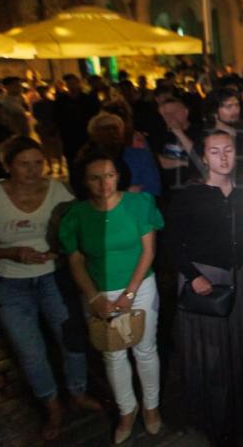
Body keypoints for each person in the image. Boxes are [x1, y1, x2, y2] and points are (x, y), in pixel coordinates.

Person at [0, 137, 101, 440]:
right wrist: (10, 253)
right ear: (7, 165)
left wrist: (61, 250)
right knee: (31, 352)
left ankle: (77, 392)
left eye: (38, 162)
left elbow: (77, 228)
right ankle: (52, 405)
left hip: (53, 276)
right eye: (24, 164)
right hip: (9, 283)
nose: (33, 170)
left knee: (71, 339)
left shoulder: (58, 190)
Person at [164, 130, 243, 445]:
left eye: (228, 150)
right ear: (204, 156)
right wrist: (192, 276)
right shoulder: (188, 195)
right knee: (212, 356)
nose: (222, 157)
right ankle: (214, 421)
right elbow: (170, 242)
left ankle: (241, 417)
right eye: (214, 151)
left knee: (241, 349)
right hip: (205, 278)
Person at [60, 151, 165, 445]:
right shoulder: (76, 215)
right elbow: (76, 260)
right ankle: (126, 411)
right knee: (112, 353)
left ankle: (152, 406)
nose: (104, 183)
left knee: (145, 349)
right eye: (95, 177)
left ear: (119, 176)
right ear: (84, 181)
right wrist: (94, 297)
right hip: (98, 293)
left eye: (109, 175)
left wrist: (130, 293)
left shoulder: (138, 204)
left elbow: (149, 251)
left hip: (140, 286)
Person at [209, 87, 243, 186]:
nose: (235, 110)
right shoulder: (207, 140)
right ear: (215, 112)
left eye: (237, 105)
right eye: (229, 107)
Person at [154, 96, 204, 195]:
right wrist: (185, 162)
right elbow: (161, 162)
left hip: (196, 188)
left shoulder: (200, 131)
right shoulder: (160, 135)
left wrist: (179, 132)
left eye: (174, 112)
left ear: (186, 112)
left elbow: (199, 158)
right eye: (166, 114)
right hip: (170, 192)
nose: (170, 116)